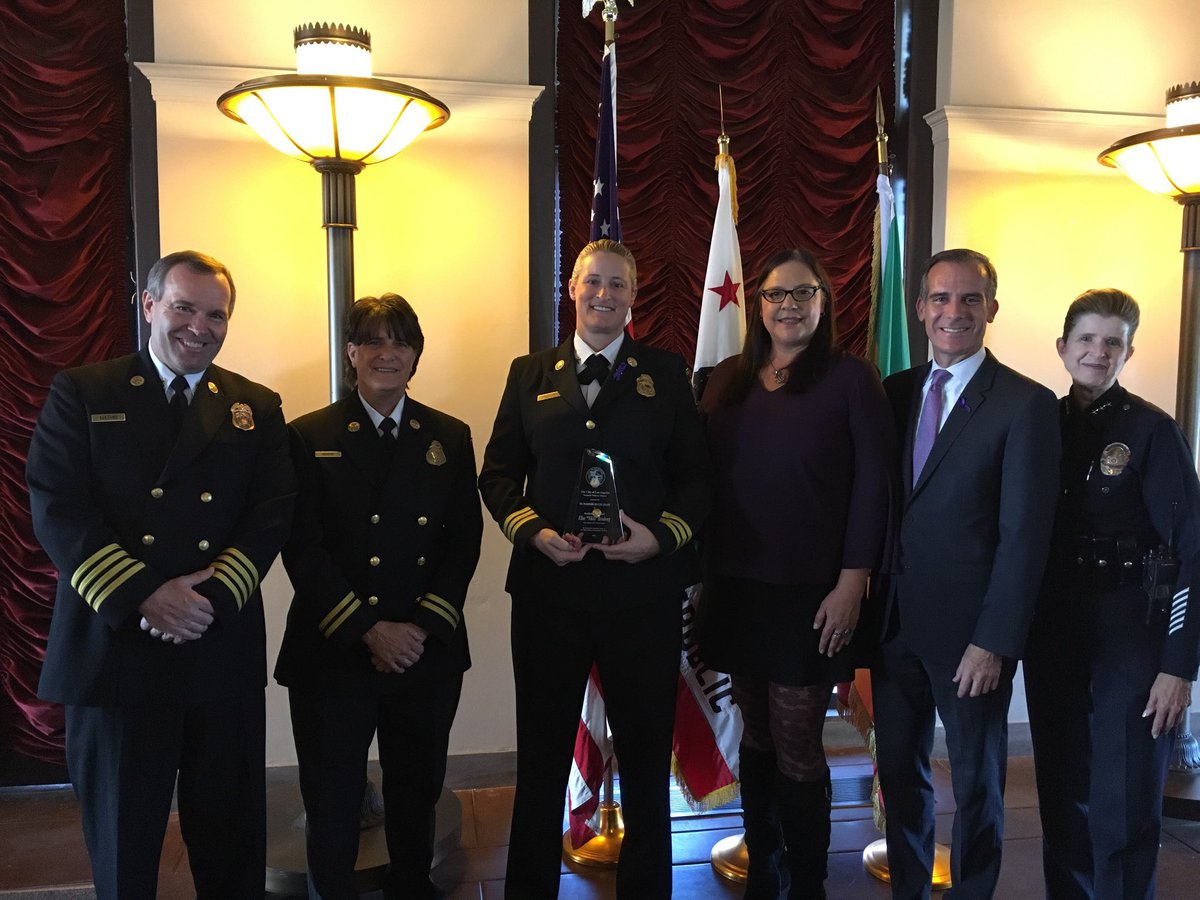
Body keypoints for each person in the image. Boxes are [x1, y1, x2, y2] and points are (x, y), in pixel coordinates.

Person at [26, 250, 295, 899]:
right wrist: (146, 596)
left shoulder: (253, 406)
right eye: (183, 307)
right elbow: (57, 505)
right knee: (124, 844)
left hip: (215, 646)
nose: (199, 327)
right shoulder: (86, 392)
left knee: (231, 840)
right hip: (117, 652)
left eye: (215, 314)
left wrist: (201, 601)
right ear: (148, 304)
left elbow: (271, 513)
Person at [478, 239, 711, 898]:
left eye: (618, 285)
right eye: (593, 283)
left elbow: (697, 480)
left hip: (643, 597)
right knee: (543, 757)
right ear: (572, 289)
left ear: (634, 296)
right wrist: (533, 532)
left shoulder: (665, 374)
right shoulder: (529, 373)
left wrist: (660, 539)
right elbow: (497, 473)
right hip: (550, 594)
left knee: (644, 761)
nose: (604, 295)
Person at [698, 247, 893, 899]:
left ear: (823, 303)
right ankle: (765, 860)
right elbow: (701, 483)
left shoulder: (851, 378)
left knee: (797, 737)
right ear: (757, 305)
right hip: (734, 588)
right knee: (754, 730)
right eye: (777, 294)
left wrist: (853, 581)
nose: (789, 305)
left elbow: (874, 485)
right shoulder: (726, 378)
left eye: (802, 294)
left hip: (813, 593)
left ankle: (808, 880)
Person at [275, 293, 483, 899]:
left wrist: (417, 628)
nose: (386, 354)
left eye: (399, 342)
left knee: (416, 789)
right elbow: (302, 547)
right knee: (333, 793)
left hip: (424, 651)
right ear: (351, 354)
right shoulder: (308, 435)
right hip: (335, 648)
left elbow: (461, 543)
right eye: (372, 341)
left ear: (416, 355)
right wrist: (370, 629)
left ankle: (412, 888)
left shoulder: (449, 435)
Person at [870, 248, 1060, 899]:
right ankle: (910, 889)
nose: (955, 312)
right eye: (941, 299)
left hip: (972, 640)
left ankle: (976, 891)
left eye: (970, 299)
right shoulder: (892, 393)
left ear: (991, 309)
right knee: (900, 775)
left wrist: (995, 640)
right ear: (920, 309)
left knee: (978, 785)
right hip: (895, 628)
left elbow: (1024, 537)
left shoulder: (1024, 404)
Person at [1024, 288, 1200, 900]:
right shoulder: (1039, 420)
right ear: (1063, 347)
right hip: (1055, 631)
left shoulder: (1151, 432)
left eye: (1113, 343)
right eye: (1087, 340)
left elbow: (1191, 551)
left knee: (1123, 804)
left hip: (1131, 632)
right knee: (1060, 796)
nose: (1098, 353)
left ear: (1127, 353)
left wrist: (1178, 667)